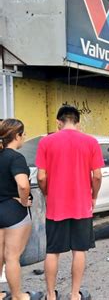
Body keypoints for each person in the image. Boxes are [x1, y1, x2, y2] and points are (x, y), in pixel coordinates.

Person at [36, 105, 104, 300]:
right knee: (79, 250)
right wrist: (93, 196)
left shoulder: (46, 142)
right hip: (82, 205)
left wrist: (48, 193)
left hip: (56, 206)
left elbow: (41, 177)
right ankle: (75, 295)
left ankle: (50, 295)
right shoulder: (91, 142)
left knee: (53, 251)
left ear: (59, 122)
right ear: (78, 122)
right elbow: (97, 176)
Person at [0, 119, 43, 300]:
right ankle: (18, 296)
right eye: (23, 134)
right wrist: (24, 201)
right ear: (17, 135)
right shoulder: (16, 157)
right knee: (12, 257)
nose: (24, 137)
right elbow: (24, 186)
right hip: (13, 213)